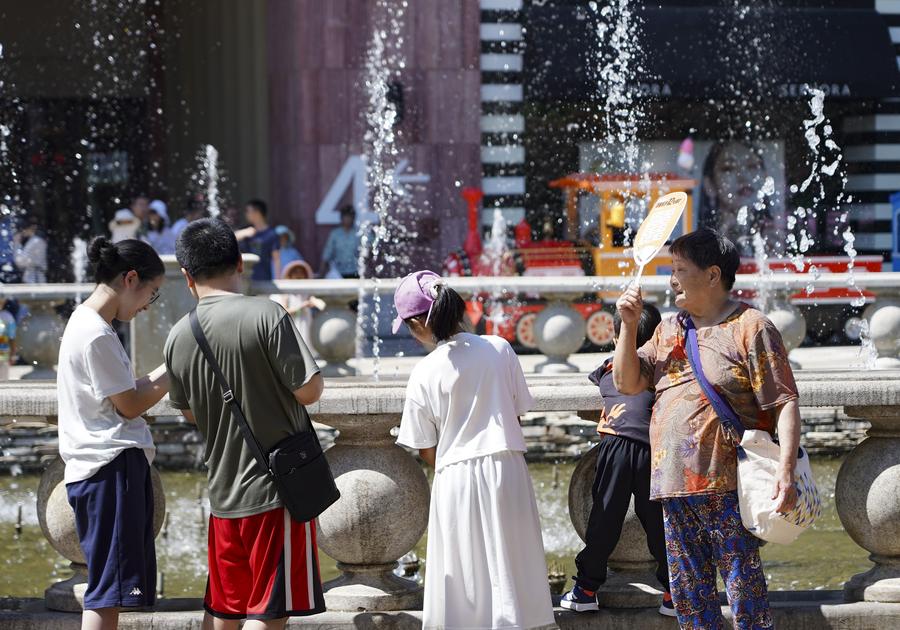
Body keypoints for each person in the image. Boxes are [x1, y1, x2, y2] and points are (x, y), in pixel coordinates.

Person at [613, 228, 801, 629]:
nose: (672, 279)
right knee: (691, 604)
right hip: (673, 486)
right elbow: (626, 383)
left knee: (745, 597)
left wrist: (786, 472)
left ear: (713, 274)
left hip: (728, 486)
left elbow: (784, 401)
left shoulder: (751, 326)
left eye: (680, 268)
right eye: (671, 268)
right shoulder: (668, 329)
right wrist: (628, 326)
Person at [164, 218, 326, 627]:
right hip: (276, 493)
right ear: (239, 263)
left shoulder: (179, 335)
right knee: (269, 614)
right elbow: (309, 391)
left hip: (223, 498)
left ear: (186, 276)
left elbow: (189, 413)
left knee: (227, 610)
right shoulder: (266, 314)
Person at [394, 271, 556, 630]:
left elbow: (425, 447)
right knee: (512, 573)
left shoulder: (423, 372)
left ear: (419, 323)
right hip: (506, 466)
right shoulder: (499, 348)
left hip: (455, 474)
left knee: (465, 587)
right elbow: (514, 410)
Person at [56, 237, 168, 630]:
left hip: (102, 469)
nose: (145, 307)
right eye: (150, 294)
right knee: (107, 594)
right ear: (131, 278)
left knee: (108, 590)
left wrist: (162, 371)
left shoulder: (86, 322)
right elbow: (131, 404)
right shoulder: (97, 333)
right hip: (109, 469)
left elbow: (124, 393)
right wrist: (175, 369)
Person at [560, 303, 675, 617]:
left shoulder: (611, 368)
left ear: (615, 336)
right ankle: (675, 591)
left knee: (605, 519)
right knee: (659, 524)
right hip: (653, 448)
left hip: (617, 446)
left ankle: (585, 589)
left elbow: (598, 378)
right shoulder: (660, 370)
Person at [698, 141, 776, 256]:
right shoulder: (699, 247)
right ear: (709, 184)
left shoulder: (780, 239)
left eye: (752, 166)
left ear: (765, 178)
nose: (743, 176)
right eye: (728, 168)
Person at [273, 260, 323, 347]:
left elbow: (316, 301)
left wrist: (321, 305)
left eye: (301, 273)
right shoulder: (286, 293)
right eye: (295, 273)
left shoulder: (306, 292)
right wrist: (302, 306)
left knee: (306, 343)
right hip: (293, 323)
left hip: (305, 322)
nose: (299, 275)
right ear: (290, 275)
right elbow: (284, 311)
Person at [234, 199, 280, 282]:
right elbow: (229, 239)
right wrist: (242, 234)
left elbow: (276, 260)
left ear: (257, 212)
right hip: (243, 279)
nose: (246, 214)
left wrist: (278, 281)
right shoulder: (245, 231)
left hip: (264, 279)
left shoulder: (271, 234)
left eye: (248, 211)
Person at [319, 205, 359, 279]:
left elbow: (369, 249)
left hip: (356, 272)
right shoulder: (335, 234)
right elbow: (327, 253)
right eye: (345, 216)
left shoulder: (358, 233)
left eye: (350, 216)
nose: (348, 219)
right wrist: (321, 274)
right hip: (339, 273)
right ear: (341, 217)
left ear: (353, 218)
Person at [13, 218, 48, 283]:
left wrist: (16, 243)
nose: (23, 231)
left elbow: (20, 262)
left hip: (34, 279)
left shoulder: (35, 241)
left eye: (24, 229)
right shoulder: (35, 241)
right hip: (33, 278)